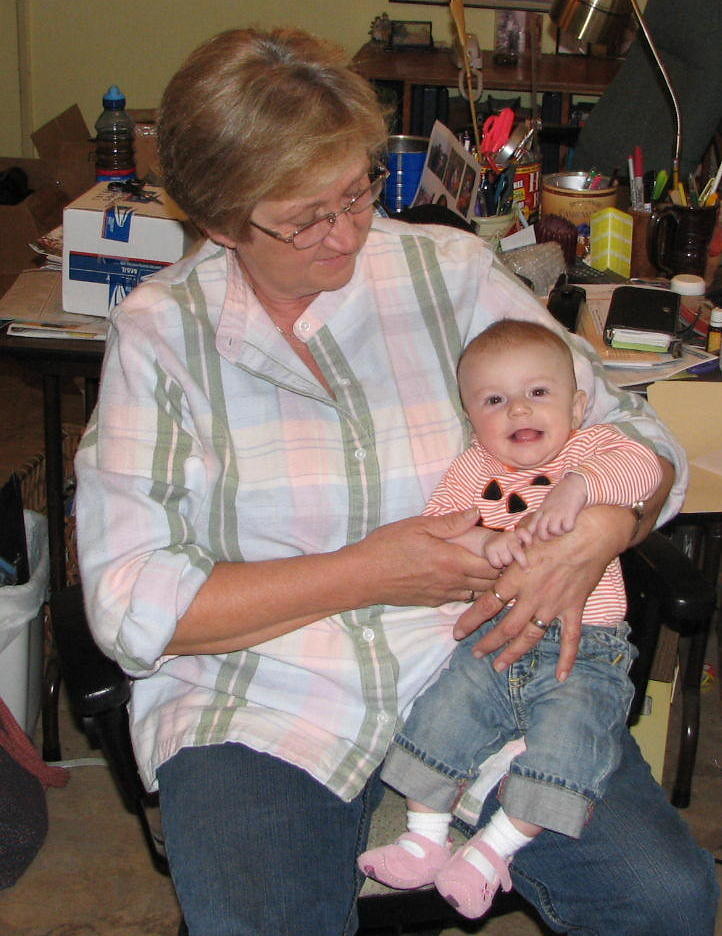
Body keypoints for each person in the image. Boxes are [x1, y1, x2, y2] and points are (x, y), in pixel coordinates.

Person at [72, 26, 717, 936]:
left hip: (481, 667)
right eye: (306, 218)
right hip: (259, 697)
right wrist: (373, 571)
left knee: (667, 896)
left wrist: (609, 524)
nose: (347, 232)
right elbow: (129, 601)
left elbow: (636, 432)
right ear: (220, 222)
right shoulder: (160, 336)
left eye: (358, 190)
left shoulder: (446, 273)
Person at [357, 320, 663, 919]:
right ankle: (425, 836)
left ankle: (495, 850)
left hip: (587, 645)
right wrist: (482, 538)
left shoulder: (594, 449)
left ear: (576, 404)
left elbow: (645, 467)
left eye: (538, 393)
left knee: (572, 742)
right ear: (472, 417)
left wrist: (582, 488)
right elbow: (442, 523)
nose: (517, 409)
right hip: (493, 639)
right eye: (494, 400)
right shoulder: (475, 467)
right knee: (440, 714)